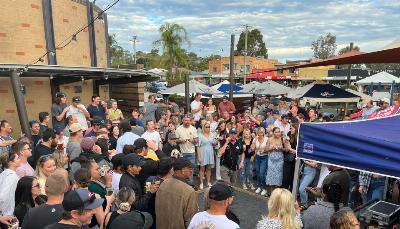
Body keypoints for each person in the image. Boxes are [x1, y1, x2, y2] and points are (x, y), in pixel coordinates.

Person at [156, 158, 198, 229]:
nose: (191, 171)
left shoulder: (163, 183)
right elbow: (190, 220)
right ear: (183, 170)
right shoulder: (189, 191)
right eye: (190, 168)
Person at [265, 127, 288, 194]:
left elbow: (286, 149)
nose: (278, 133)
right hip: (271, 159)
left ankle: (277, 192)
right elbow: (266, 150)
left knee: (278, 175)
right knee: (271, 174)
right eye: (276, 132)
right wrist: (271, 148)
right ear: (273, 132)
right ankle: (270, 191)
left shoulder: (282, 139)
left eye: (279, 132)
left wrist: (281, 148)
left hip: (279, 160)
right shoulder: (269, 139)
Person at [197, 122, 216, 189]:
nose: (208, 128)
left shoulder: (212, 135)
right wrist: (199, 156)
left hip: (210, 152)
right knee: (202, 168)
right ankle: (201, 183)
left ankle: (208, 182)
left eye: (209, 127)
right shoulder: (200, 135)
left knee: (209, 168)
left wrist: (216, 139)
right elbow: (198, 146)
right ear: (203, 128)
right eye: (206, 127)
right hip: (203, 153)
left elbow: (214, 143)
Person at [251, 127, 269, 195]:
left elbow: (268, 149)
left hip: (265, 157)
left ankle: (264, 188)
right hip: (257, 157)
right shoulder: (255, 139)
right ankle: (259, 186)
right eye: (259, 132)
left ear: (263, 133)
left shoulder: (267, 139)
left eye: (261, 132)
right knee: (258, 172)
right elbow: (252, 149)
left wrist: (264, 150)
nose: (260, 134)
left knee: (262, 173)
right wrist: (254, 141)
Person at [282, 124, 298, 190]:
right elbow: (286, 148)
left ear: (296, 129)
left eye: (292, 128)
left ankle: (291, 193)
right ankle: (284, 192)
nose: (290, 129)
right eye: (290, 128)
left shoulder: (299, 137)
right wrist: (285, 142)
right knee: (286, 177)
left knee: (293, 178)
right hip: (288, 159)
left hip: (296, 160)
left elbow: (298, 151)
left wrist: (291, 149)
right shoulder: (288, 134)